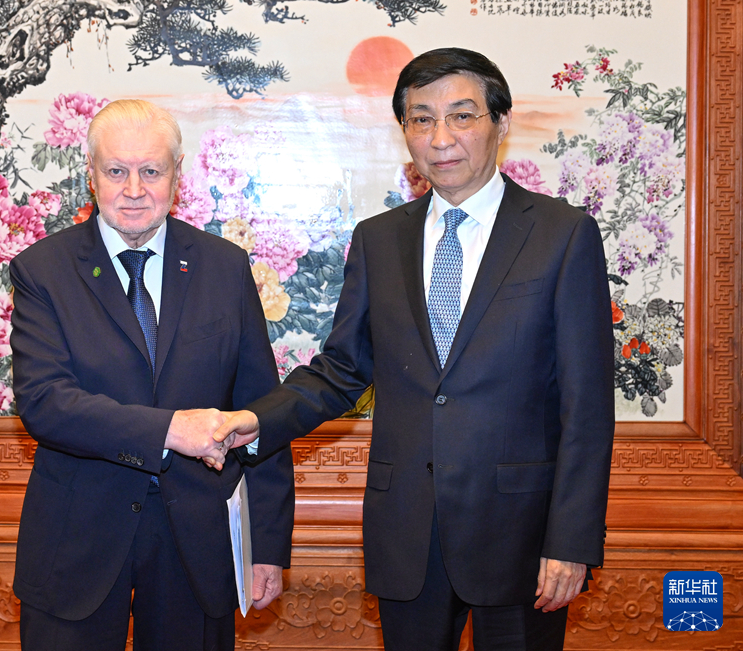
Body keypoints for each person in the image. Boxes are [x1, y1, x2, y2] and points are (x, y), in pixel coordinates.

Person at [214, 48, 615, 651]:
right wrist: (253, 419)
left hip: (522, 536)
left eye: (462, 116)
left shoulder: (562, 234)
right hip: (407, 532)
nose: (441, 138)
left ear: (500, 122)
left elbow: (587, 407)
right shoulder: (380, 239)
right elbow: (342, 369)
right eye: (421, 119)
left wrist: (572, 541)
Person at [9, 99, 294, 651]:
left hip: (198, 547)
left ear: (177, 174)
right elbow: (45, 402)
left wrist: (266, 546)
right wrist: (170, 430)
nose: (134, 189)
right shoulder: (43, 270)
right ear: (91, 175)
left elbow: (262, 412)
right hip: (77, 542)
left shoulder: (225, 268)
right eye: (117, 171)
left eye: (151, 171)